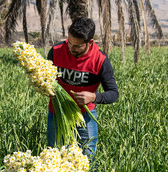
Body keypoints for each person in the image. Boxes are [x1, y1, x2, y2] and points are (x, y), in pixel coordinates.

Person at [47, 17, 119, 163]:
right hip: (57, 112)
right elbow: (47, 78)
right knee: (54, 155)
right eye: (70, 43)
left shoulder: (100, 60)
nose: (71, 49)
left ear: (90, 42)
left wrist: (93, 97)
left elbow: (114, 94)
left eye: (77, 46)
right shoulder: (55, 52)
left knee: (87, 157)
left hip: (85, 115)